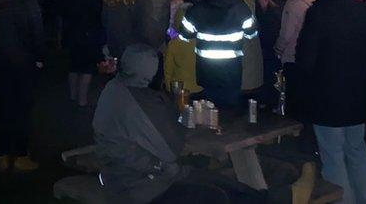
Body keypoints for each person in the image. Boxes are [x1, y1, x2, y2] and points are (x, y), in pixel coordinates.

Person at [94, 44, 278, 203]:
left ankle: (272, 198)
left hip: (134, 178)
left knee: (227, 185)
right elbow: (170, 148)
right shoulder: (138, 102)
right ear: (151, 70)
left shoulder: (116, 87)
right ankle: (273, 198)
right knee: (217, 195)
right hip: (140, 188)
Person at [295, 0, 366, 204]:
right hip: (359, 94)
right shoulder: (363, 11)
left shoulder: (318, 12)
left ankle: (345, 201)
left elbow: (306, 58)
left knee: (332, 155)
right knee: (357, 150)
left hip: (327, 95)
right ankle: (365, 199)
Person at [179, 0, 255, 109]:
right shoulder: (241, 8)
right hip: (232, 74)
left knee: (209, 118)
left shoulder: (195, 10)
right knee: (231, 120)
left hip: (206, 74)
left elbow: (184, 36)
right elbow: (252, 34)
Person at [0, 0, 45, 172]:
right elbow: (36, 30)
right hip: (23, 63)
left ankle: (3, 154)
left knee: (3, 108)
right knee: (22, 109)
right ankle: (20, 155)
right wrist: (40, 56)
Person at [274, 0, 320, 118]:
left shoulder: (294, 2)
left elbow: (286, 33)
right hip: (312, 56)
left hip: (293, 55)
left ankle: (294, 131)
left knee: (294, 97)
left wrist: (278, 49)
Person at [58, 0, 103, 107]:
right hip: (88, 34)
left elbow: (60, 10)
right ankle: (82, 100)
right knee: (86, 68)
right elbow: (98, 13)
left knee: (73, 65)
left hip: (70, 32)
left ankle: (72, 96)